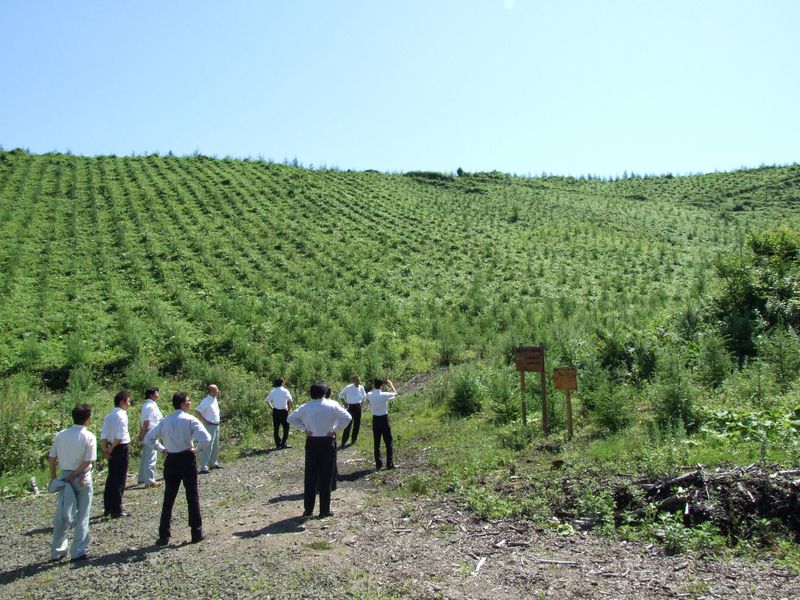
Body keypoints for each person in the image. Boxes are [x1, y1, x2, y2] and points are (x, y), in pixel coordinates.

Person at [145, 391, 211, 546]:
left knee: (169, 497)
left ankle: (163, 535)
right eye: (188, 401)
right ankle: (196, 532)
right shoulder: (189, 419)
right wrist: (197, 450)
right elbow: (206, 438)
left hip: (171, 459)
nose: (190, 403)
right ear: (182, 404)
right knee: (192, 495)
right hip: (186, 458)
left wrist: (162, 449)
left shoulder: (165, 420)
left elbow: (149, 438)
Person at [287, 381, 351, 518]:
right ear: (324, 392)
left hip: (312, 441)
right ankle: (324, 511)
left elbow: (290, 418)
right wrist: (335, 430)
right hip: (327, 441)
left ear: (311, 393)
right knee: (326, 476)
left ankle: (308, 510)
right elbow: (348, 417)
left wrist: (304, 429)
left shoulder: (306, 407)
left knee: (310, 476)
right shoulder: (332, 405)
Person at [48, 403, 97, 562]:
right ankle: (78, 551)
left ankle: (57, 551)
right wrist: (75, 474)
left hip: (64, 476)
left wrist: (54, 476)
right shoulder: (89, 436)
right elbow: (87, 461)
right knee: (83, 514)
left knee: (63, 513)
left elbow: (51, 457)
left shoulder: (61, 434)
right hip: (82, 476)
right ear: (87, 419)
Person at [101, 389, 132, 517]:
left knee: (111, 477)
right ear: (122, 401)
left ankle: (108, 507)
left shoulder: (108, 416)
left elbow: (103, 434)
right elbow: (120, 436)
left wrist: (106, 449)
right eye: (128, 401)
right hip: (120, 447)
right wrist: (112, 448)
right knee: (119, 478)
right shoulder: (122, 415)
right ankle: (117, 509)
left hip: (110, 446)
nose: (129, 404)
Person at [368, 378, 398, 470]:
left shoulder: (369, 394)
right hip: (384, 419)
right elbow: (395, 393)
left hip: (375, 419)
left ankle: (378, 464)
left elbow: (371, 393)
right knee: (388, 441)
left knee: (376, 442)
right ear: (381, 385)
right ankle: (389, 463)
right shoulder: (384, 395)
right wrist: (390, 384)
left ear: (374, 385)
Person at [137, 387, 163, 488]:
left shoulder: (149, 405)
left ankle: (143, 478)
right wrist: (142, 434)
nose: (158, 395)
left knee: (146, 457)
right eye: (156, 393)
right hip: (150, 432)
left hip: (149, 432)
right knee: (151, 457)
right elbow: (146, 422)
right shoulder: (150, 406)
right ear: (152, 395)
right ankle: (150, 481)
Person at [195, 384, 221, 473]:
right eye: (216, 389)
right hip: (209, 426)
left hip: (216, 425)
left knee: (215, 445)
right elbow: (197, 411)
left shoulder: (214, 400)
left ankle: (213, 463)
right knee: (208, 446)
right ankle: (203, 466)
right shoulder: (206, 401)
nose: (217, 391)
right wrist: (205, 421)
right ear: (211, 391)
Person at [338, 374, 366, 448]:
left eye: (359, 380)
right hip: (350, 407)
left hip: (358, 407)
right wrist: (344, 403)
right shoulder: (349, 387)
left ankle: (353, 440)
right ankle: (343, 442)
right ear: (353, 381)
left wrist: (362, 404)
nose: (359, 382)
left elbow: (364, 397)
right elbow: (341, 394)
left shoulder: (361, 388)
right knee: (348, 425)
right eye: (357, 380)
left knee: (357, 425)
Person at [266, 377, 293, 449]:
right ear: (282, 383)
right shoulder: (285, 391)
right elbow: (290, 401)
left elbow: (268, 401)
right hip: (284, 411)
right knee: (286, 428)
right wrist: (289, 409)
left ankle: (278, 444)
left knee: (276, 428)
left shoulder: (273, 391)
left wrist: (272, 408)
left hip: (276, 411)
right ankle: (283, 443)